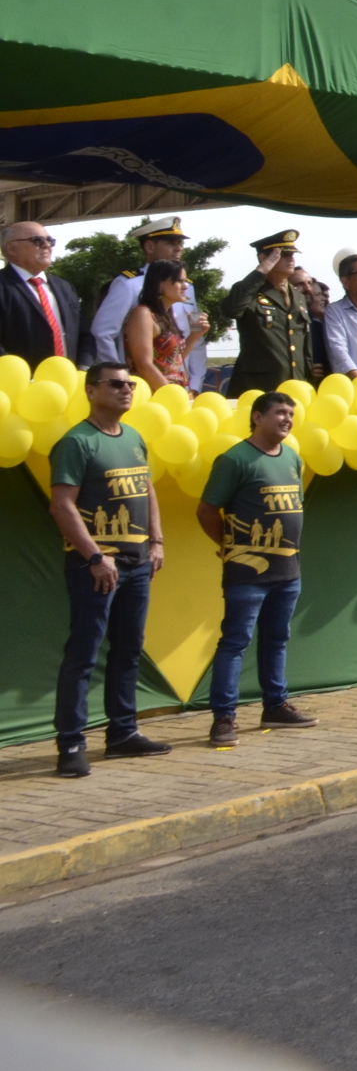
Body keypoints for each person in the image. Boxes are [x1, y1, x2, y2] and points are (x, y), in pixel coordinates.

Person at [49, 361, 171, 776]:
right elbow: (62, 505)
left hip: (137, 566)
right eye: (116, 384)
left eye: (130, 384)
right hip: (95, 568)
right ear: (90, 391)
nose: (126, 390)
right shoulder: (77, 442)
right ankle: (70, 744)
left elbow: (146, 487)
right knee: (83, 656)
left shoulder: (134, 437)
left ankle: (122, 734)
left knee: (128, 650)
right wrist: (95, 557)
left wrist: (156, 540)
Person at [197, 390, 318, 744]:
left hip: (288, 572)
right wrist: (228, 546)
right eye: (279, 413)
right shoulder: (235, 460)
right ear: (256, 417)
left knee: (277, 639)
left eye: (291, 414)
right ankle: (223, 718)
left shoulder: (293, 458)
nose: (287, 420)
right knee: (235, 641)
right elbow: (206, 511)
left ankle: (276, 706)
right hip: (247, 574)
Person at [89, 216, 193, 368]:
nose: (179, 248)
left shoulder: (187, 286)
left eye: (179, 243)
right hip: (141, 381)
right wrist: (117, 374)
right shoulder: (129, 284)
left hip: (180, 379)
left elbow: (191, 335)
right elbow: (103, 332)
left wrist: (196, 380)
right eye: (171, 243)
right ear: (149, 247)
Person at [226, 229, 315, 397]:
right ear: (263, 258)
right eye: (283, 254)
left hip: (296, 385)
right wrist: (260, 271)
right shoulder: (249, 291)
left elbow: (304, 344)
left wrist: (308, 379)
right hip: (259, 388)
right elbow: (232, 309)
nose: (291, 259)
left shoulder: (298, 296)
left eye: (292, 254)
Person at [0, 220, 89, 365]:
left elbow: (84, 335)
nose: (46, 245)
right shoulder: (3, 285)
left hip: (69, 381)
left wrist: (83, 368)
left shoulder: (64, 287)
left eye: (50, 241)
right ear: (11, 248)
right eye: (36, 240)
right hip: (18, 383)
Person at [121, 260, 203, 392]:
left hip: (172, 392)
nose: (185, 286)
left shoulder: (166, 315)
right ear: (159, 284)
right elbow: (144, 365)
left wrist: (194, 336)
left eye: (185, 281)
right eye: (179, 281)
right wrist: (170, 395)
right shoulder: (143, 314)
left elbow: (173, 362)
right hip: (152, 394)